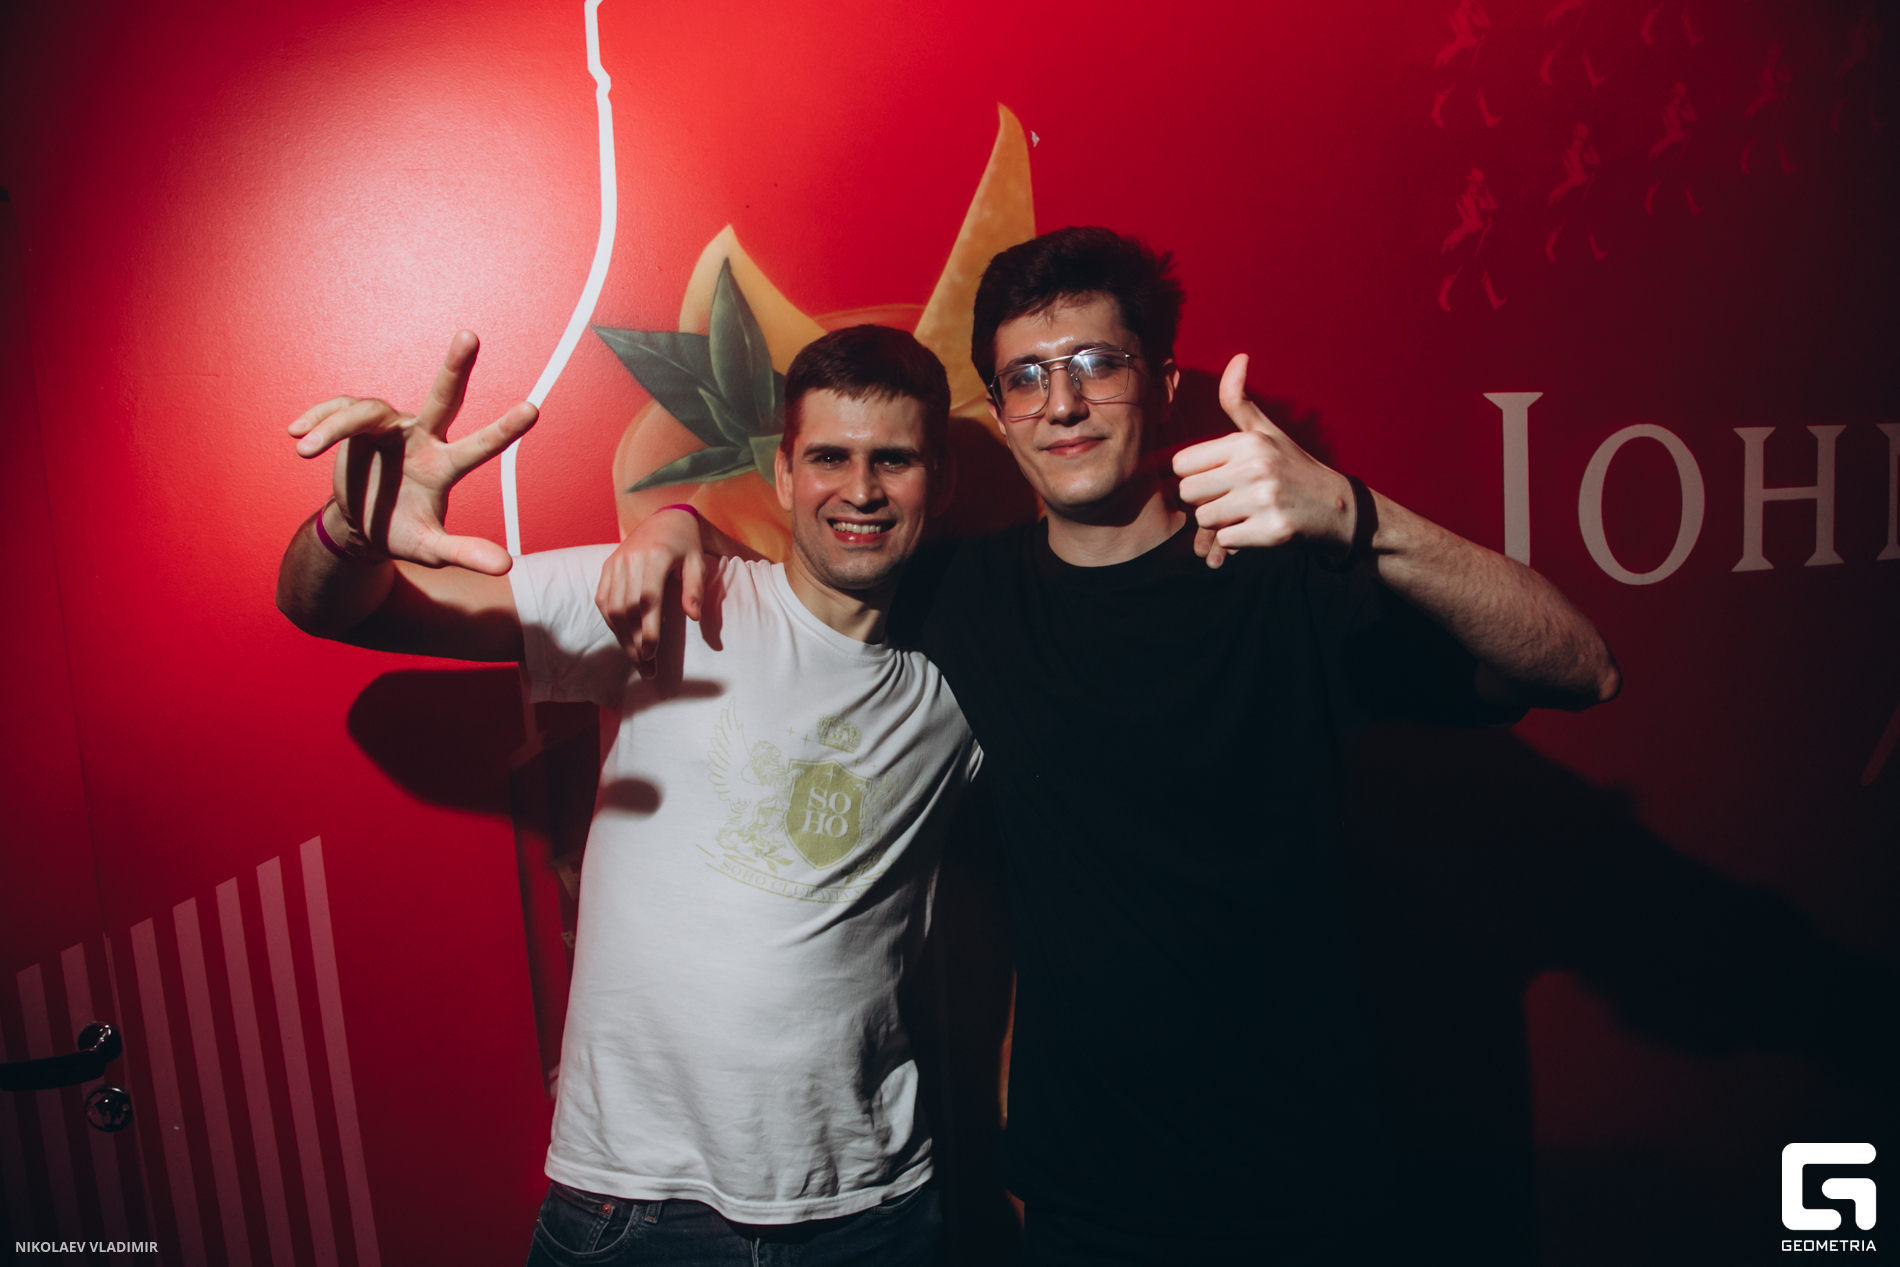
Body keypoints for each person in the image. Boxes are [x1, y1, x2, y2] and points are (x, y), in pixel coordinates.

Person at [603, 226, 1620, 1264]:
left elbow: (1579, 666)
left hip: (1309, 1186)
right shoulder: (963, 594)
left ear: (1162, 384)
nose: (1063, 403)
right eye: (1027, 378)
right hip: (1087, 1201)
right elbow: (817, 552)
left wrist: (1355, 513)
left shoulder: (1283, 577)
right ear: (998, 415)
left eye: (1097, 363)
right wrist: (676, 523)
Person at [275, 324, 982, 1266]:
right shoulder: (671, 598)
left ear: (940, 478)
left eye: (892, 459)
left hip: (867, 1211)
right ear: (783, 473)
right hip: (634, 1209)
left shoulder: (968, 679)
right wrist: (351, 535)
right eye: (829, 457)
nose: (860, 489)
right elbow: (331, 609)